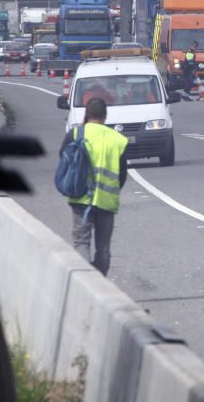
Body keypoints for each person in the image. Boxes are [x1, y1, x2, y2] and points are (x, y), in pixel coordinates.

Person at [59, 98, 128, 276]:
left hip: (80, 198)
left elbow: (63, 158)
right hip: (106, 200)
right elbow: (122, 174)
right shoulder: (117, 139)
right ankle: (101, 280)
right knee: (103, 248)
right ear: (105, 116)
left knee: (81, 242)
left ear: (87, 114)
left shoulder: (76, 134)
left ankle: (87, 281)